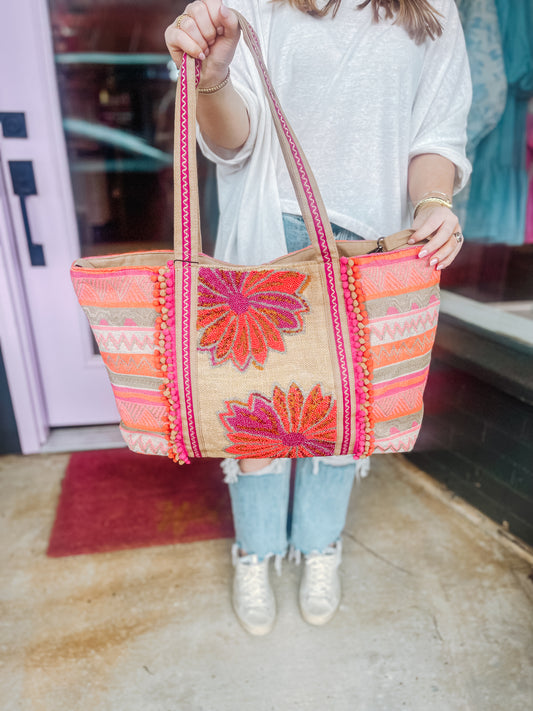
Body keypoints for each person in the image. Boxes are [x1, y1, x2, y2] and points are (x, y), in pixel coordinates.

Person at [165, 0, 471, 635]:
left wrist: (435, 202)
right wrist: (214, 77)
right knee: (258, 420)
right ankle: (258, 550)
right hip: (270, 230)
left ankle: (318, 543)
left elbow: (435, 132)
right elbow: (233, 142)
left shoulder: (434, 5)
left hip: (376, 240)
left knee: (343, 422)